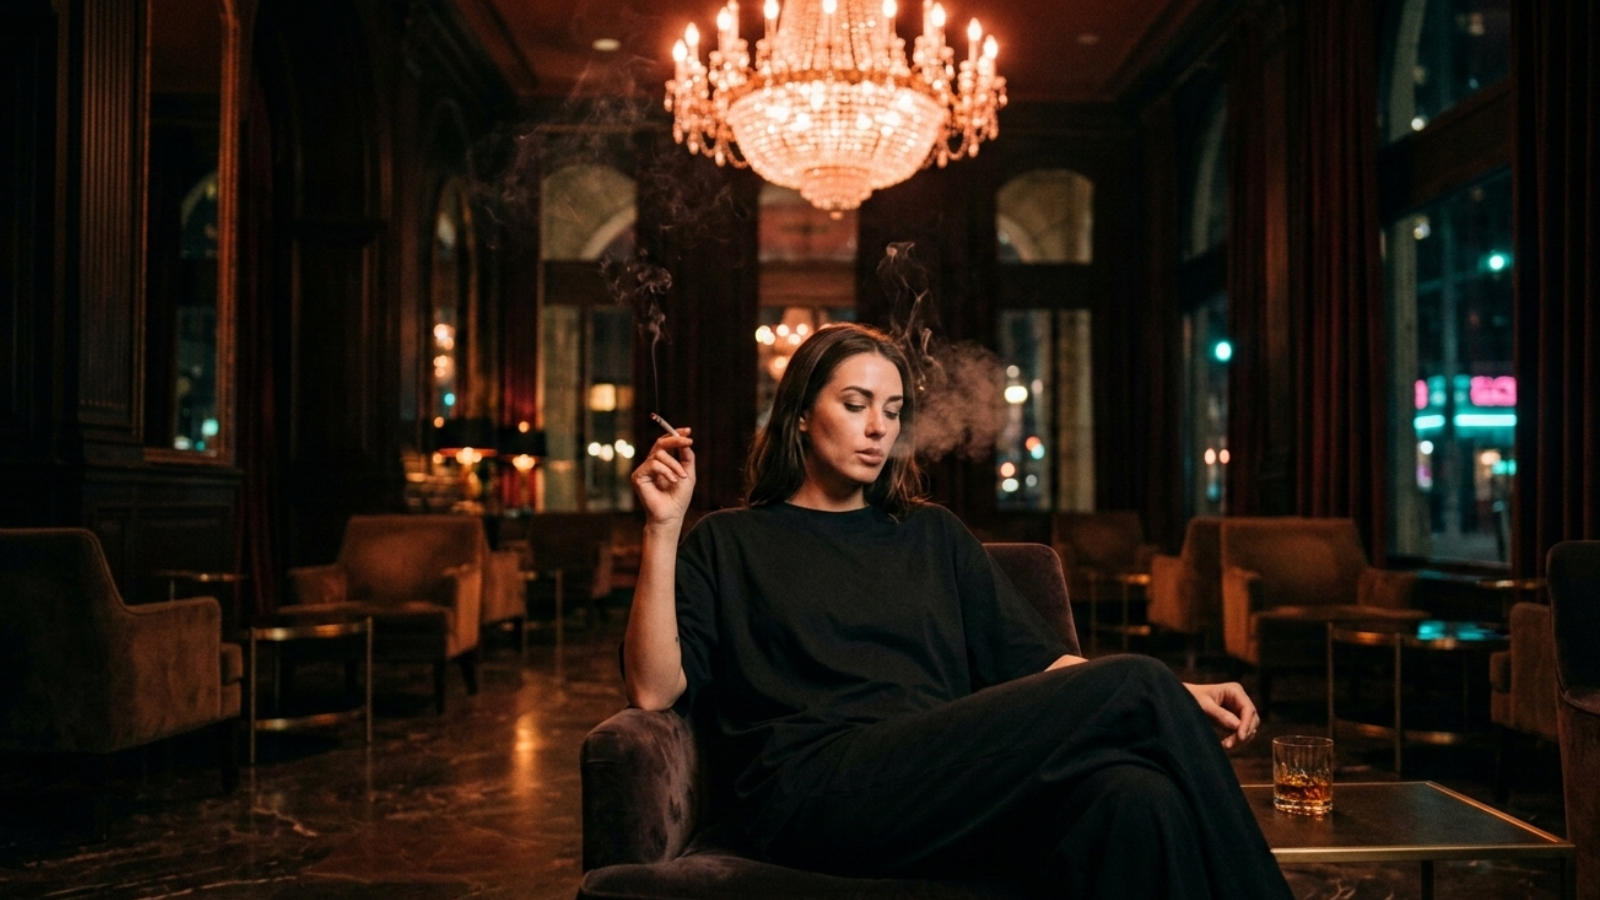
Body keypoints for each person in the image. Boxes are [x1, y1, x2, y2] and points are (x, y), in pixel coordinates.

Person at [624, 323, 1293, 900]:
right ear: (799, 413)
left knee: (1134, 798)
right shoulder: (728, 539)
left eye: (892, 409)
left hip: (939, 784)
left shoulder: (931, 533)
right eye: (856, 404)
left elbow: (1044, 665)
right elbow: (655, 687)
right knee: (1137, 679)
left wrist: (1175, 699)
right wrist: (663, 528)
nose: (878, 426)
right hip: (810, 794)